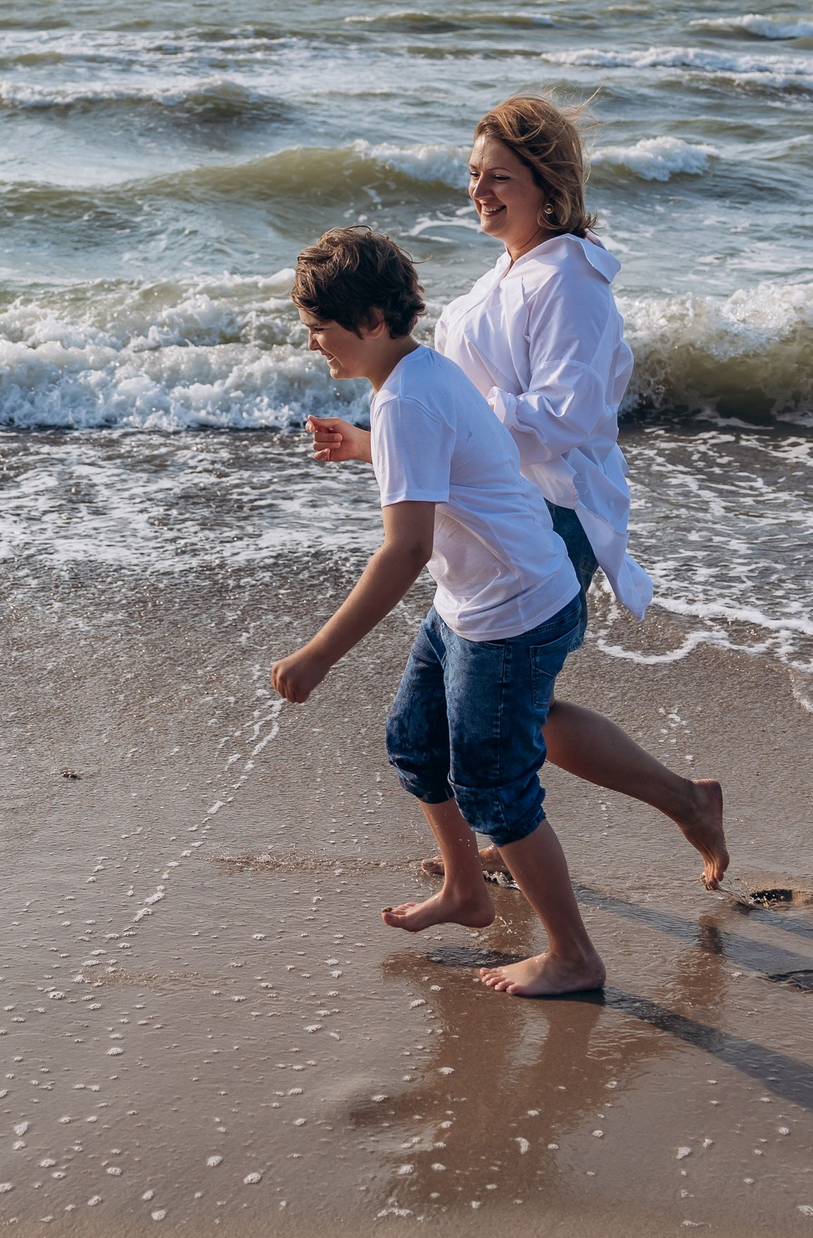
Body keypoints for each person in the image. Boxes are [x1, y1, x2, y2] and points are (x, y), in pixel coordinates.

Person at [309, 95, 730, 889]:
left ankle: (672, 803)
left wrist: (450, 420)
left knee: (505, 711)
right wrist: (377, 441)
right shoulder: (510, 267)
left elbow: (568, 418)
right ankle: (558, 823)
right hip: (494, 511)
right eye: (473, 175)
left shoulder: (568, 282)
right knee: (503, 709)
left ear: (549, 185)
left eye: (499, 177)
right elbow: (451, 418)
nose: (480, 191)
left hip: (553, 513)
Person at [270, 225, 606, 998]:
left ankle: (574, 955)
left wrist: (319, 651)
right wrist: (362, 446)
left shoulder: (407, 402)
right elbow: (456, 459)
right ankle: (466, 889)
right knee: (416, 743)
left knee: (496, 786)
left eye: (319, 329)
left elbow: (405, 550)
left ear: (372, 320)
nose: (314, 344)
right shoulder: (417, 376)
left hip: (510, 610)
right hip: (478, 598)